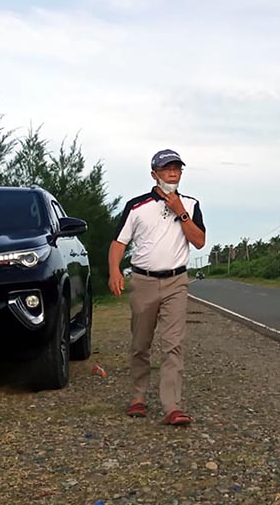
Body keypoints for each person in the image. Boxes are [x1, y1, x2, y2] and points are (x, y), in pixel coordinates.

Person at [108, 148, 206, 426]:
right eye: (166, 169)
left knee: (172, 344)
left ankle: (171, 406)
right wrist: (114, 270)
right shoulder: (136, 206)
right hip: (143, 281)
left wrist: (181, 213)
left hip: (176, 281)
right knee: (141, 343)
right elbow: (119, 243)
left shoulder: (191, 204)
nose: (173, 173)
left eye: (177, 168)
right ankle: (138, 397)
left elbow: (199, 241)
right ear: (154, 174)